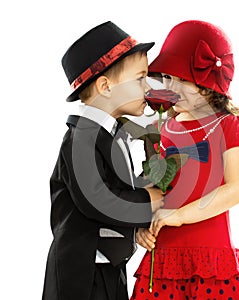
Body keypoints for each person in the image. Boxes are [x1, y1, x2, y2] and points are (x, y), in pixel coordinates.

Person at [130, 20, 239, 299]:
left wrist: (180, 215)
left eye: (182, 80)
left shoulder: (228, 124)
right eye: (168, 78)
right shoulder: (162, 129)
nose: (172, 88)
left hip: (211, 262)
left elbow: (237, 189)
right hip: (163, 263)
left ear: (208, 83)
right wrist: (141, 227)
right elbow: (156, 190)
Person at [42, 21, 164, 300]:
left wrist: (133, 232)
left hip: (109, 268)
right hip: (80, 276)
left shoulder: (113, 133)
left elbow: (114, 194)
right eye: (140, 78)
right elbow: (98, 200)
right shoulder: (81, 138)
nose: (147, 86)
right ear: (106, 86)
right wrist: (150, 200)